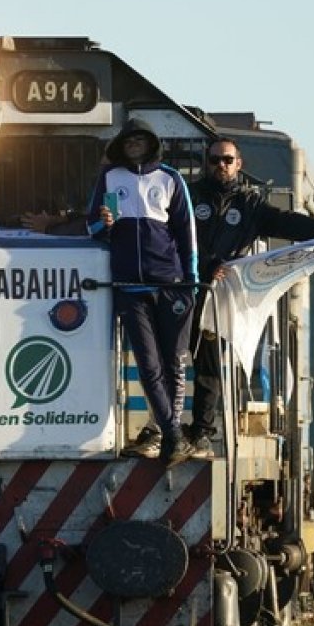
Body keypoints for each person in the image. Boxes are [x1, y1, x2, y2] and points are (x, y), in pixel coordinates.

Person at [183, 137, 314, 457]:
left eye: (228, 160)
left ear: (239, 164)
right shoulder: (188, 197)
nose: (221, 165)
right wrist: (205, 263)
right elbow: (174, 236)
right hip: (183, 290)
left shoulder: (250, 206)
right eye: (215, 160)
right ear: (206, 162)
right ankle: (165, 428)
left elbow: (291, 224)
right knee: (171, 360)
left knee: (209, 365)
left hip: (221, 296)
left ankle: (201, 431)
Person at [88, 119, 198, 466]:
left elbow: (186, 231)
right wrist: (103, 224)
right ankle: (175, 435)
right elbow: (92, 228)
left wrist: (191, 281)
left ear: (151, 143)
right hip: (130, 287)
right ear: (121, 144)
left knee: (173, 363)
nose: (134, 144)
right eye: (129, 140)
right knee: (149, 366)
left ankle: (169, 434)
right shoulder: (109, 178)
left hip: (171, 285)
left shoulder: (170, 178)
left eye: (141, 139)